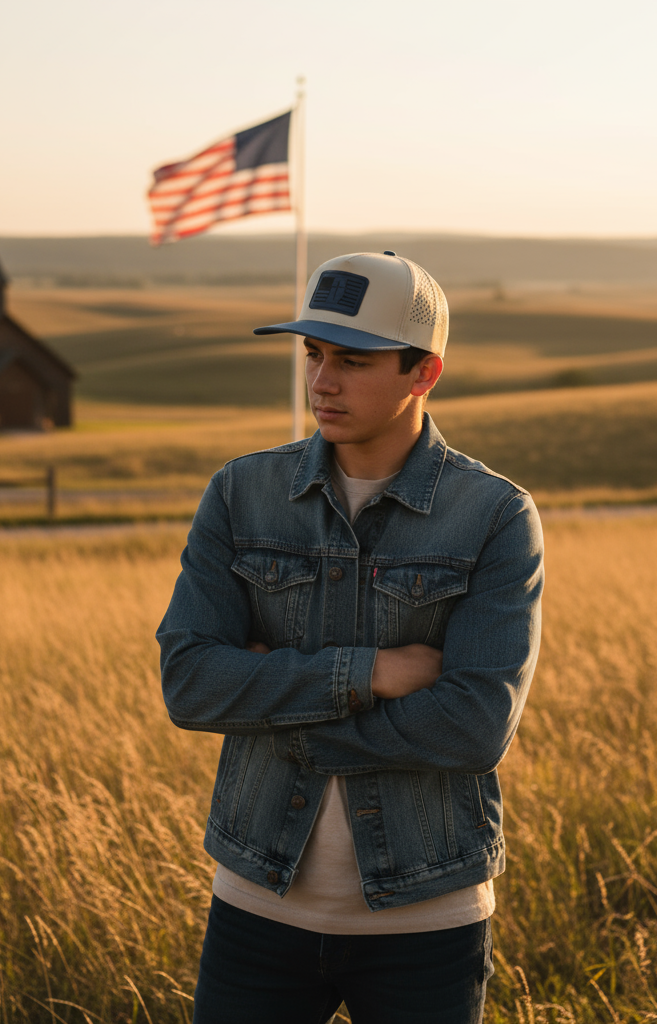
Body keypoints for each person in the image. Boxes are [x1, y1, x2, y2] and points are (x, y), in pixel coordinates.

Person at [157, 251, 544, 1024]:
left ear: (423, 372)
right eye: (314, 353)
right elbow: (191, 683)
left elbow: (474, 726)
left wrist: (281, 714)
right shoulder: (240, 493)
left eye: (353, 360)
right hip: (257, 903)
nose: (322, 382)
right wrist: (368, 673)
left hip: (427, 917)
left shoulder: (495, 516)